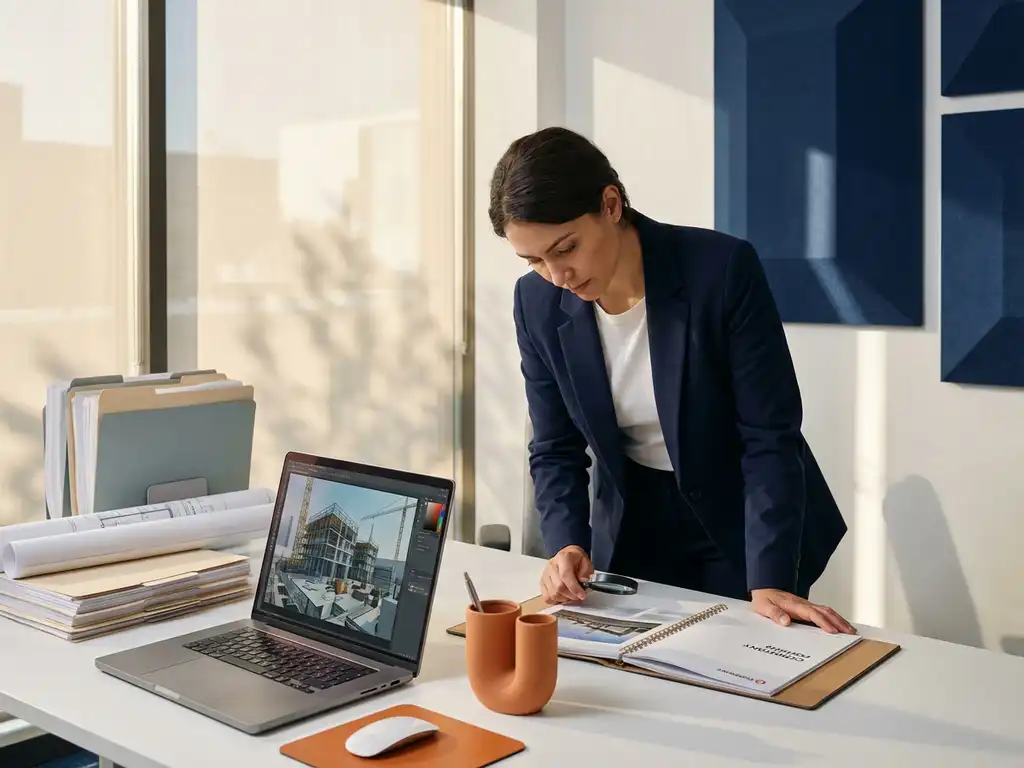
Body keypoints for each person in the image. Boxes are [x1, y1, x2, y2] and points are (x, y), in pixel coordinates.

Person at [489, 127, 855, 634]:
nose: (558, 276)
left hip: (740, 511)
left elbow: (768, 435)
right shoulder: (536, 302)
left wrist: (770, 575)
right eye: (534, 260)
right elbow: (554, 445)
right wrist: (568, 543)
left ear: (611, 204)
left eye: (565, 248)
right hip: (636, 516)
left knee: (742, 670)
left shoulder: (720, 270)